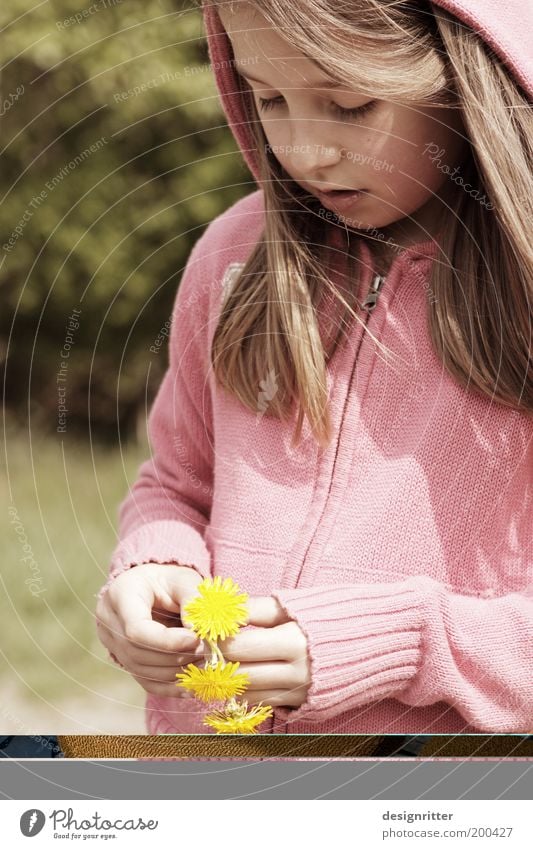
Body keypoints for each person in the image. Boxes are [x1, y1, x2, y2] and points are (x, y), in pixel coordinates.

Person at [96, 0, 532, 737]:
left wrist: (402, 643)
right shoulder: (235, 258)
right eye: (268, 97)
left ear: (467, 70)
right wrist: (151, 563)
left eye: (348, 105)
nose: (305, 150)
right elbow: (175, 484)